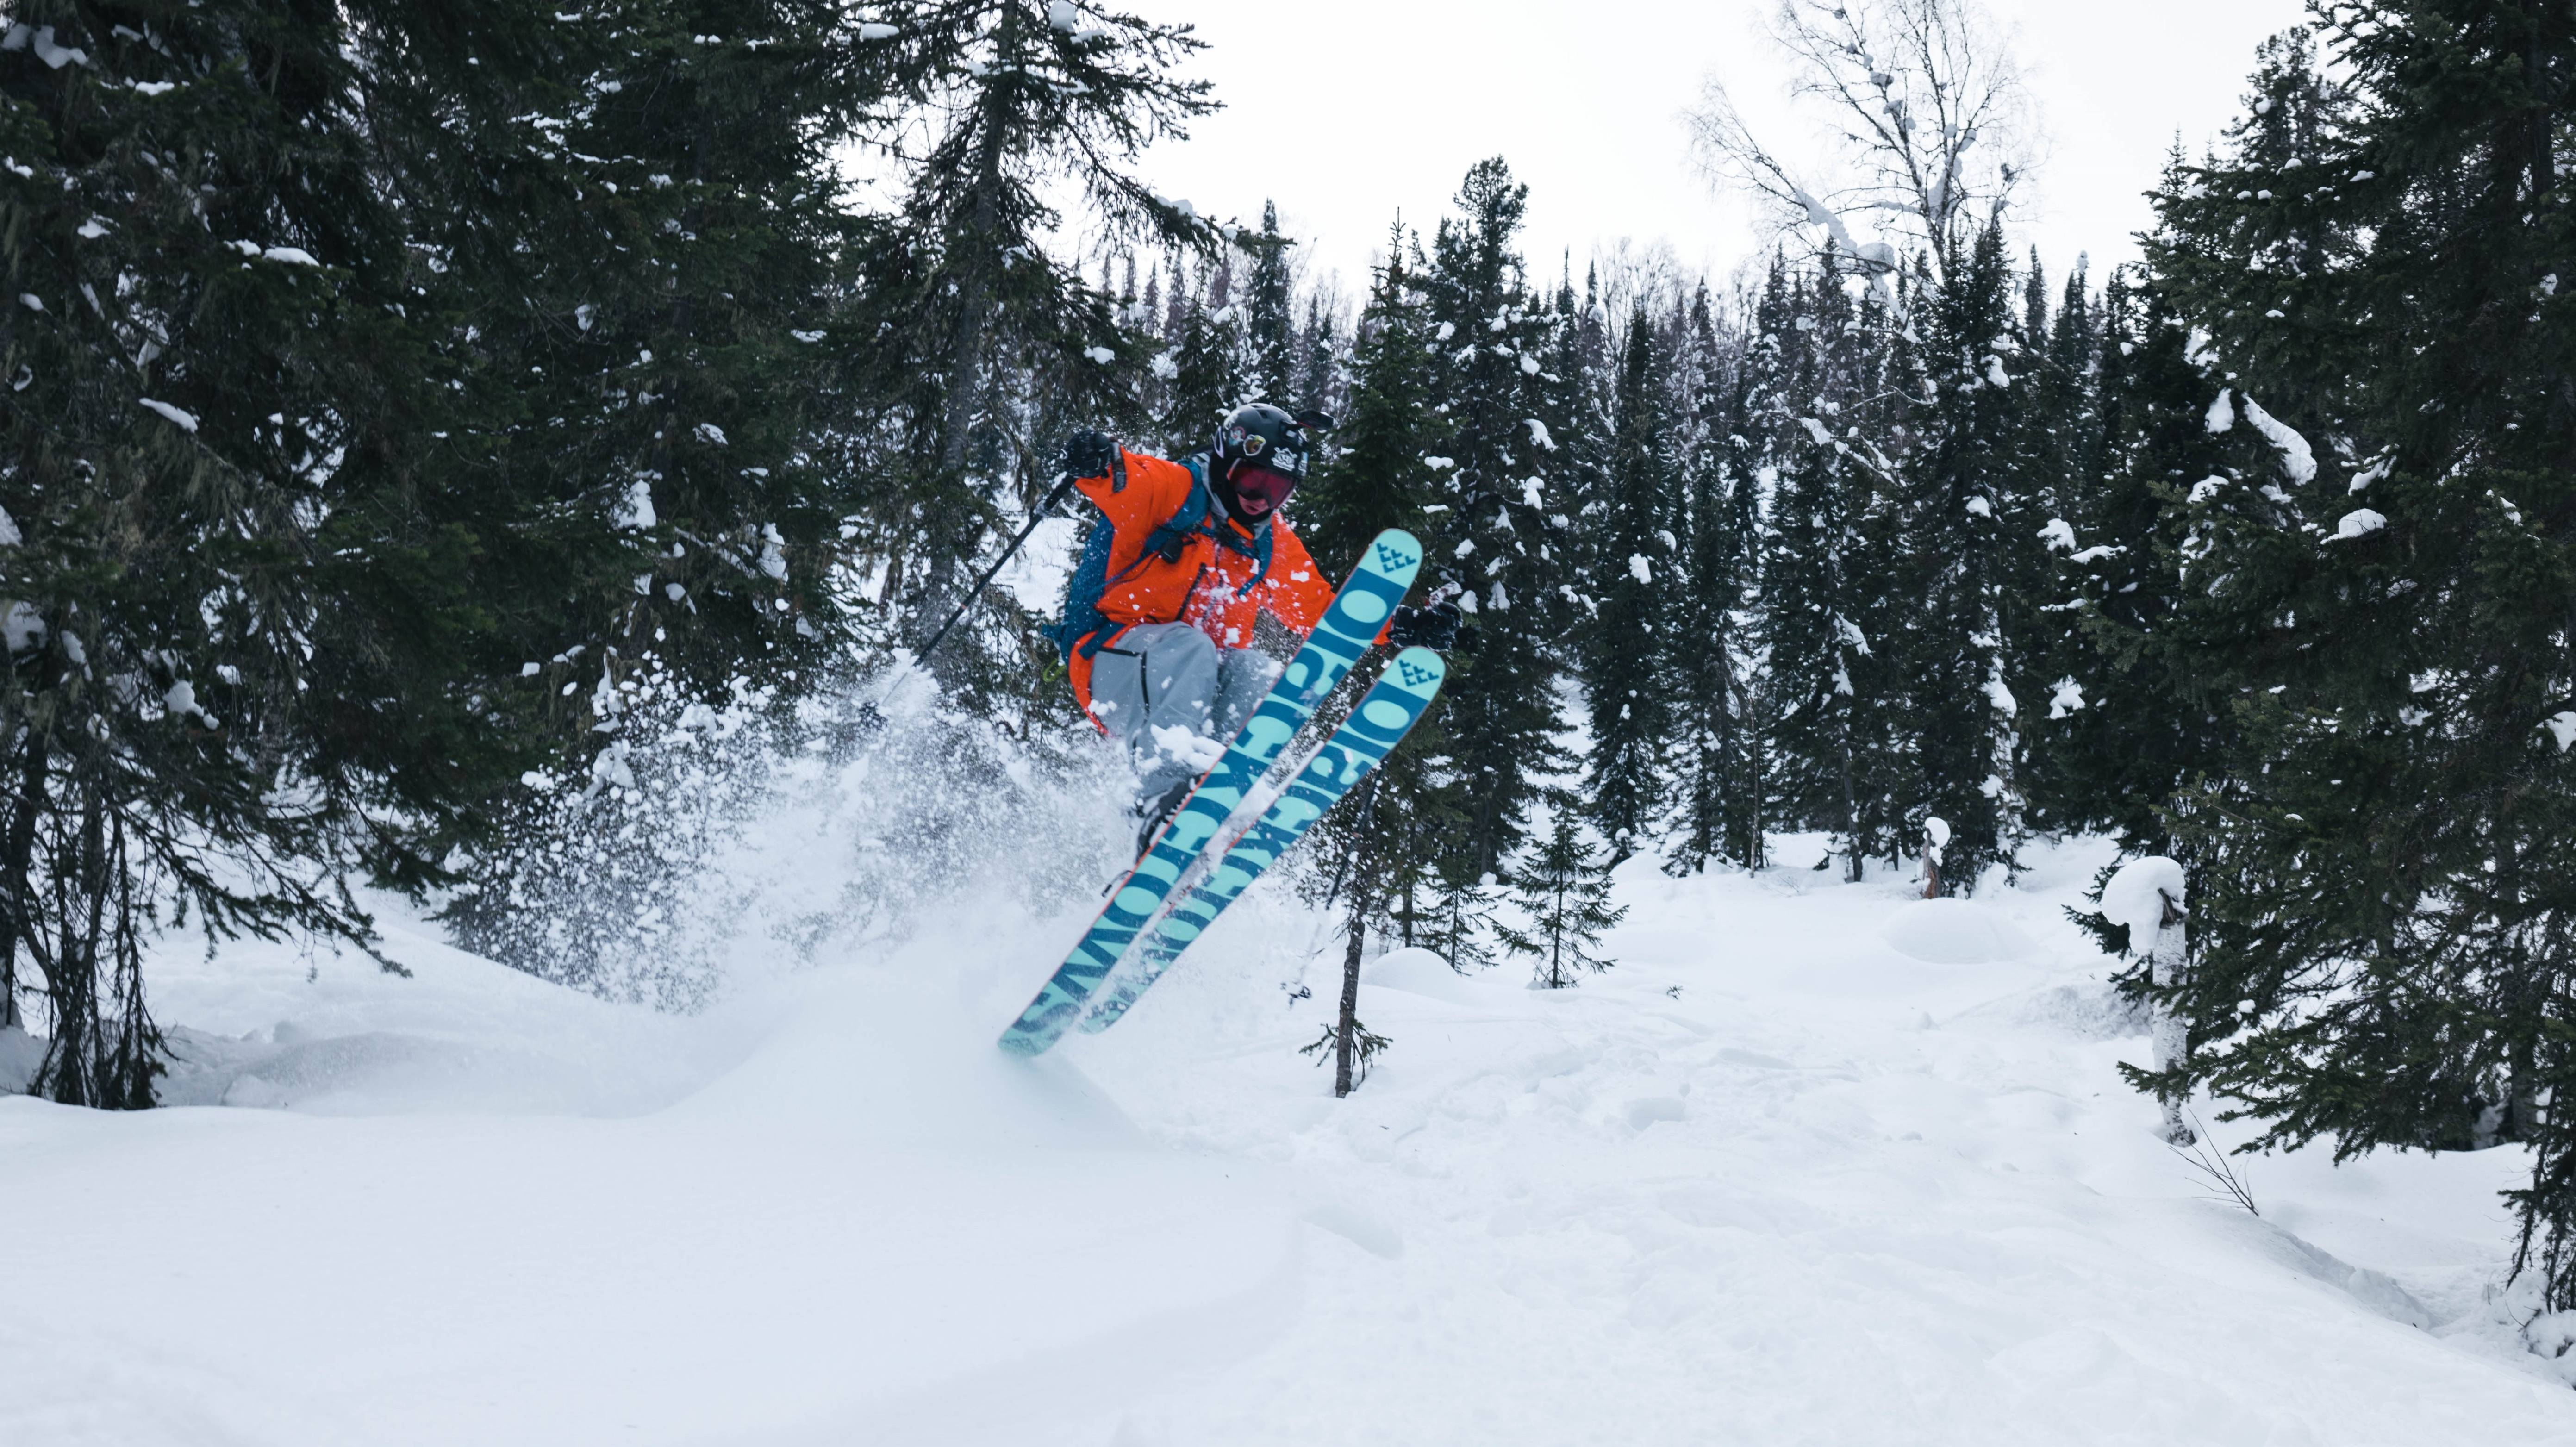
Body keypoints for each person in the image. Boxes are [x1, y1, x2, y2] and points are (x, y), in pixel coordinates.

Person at [1049, 404, 1460, 853]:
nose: (1260, 499)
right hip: (1108, 665)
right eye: (1252, 481)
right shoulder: (1175, 491)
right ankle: (1158, 798)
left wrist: (1401, 626)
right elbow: (1128, 480)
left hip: (1188, 685)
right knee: (1194, 647)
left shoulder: (1267, 541)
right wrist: (1100, 461)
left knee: (1257, 672)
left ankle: (1211, 805)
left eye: (1277, 489)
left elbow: (1321, 612)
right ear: (1226, 463)